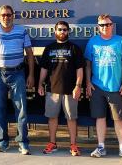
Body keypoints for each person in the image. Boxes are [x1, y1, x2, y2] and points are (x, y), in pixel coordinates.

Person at [0, 5, 35, 155]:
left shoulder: (21, 31)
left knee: (22, 109)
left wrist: (31, 75)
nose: (6, 17)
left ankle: (23, 143)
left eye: (9, 15)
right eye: (3, 15)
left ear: (13, 16)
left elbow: (29, 54)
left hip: (18, 73)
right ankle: (2, 142)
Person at [85, 14, 122, 160]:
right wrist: (88, 82)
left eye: (107, 24)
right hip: (97, 86)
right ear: (98, 27)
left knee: (118, 118)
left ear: (112, 25)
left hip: (115, 86)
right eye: (102, 25)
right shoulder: (93, 41)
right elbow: (87, 64)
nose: (105, 27)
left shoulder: (121, 41)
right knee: (100, 117)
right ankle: (101, 147)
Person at [38, 21, 84, 156]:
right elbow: (44, 69)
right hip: (52, 90)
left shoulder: (74, 48)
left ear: (68, 31)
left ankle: (73, 145)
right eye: (60, 29)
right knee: (52, 118)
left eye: (65, 30)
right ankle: (52, 143)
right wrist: (40, 83)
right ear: (55, 31)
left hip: (71, 90)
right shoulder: (49, 48)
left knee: (71, 118)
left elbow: (80, 69)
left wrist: (78, 86)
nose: (62, 32)